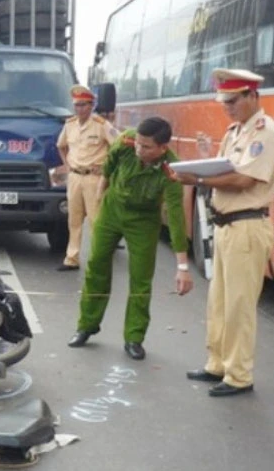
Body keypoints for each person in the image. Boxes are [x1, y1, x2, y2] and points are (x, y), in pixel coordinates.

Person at [176, 68, 274, 397]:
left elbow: (244, 180)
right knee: (219, 301)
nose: (227, 107)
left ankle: (239, 375)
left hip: (247, 226)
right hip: (226, 225)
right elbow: (225, 169)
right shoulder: (236, 131)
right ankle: (218, 364)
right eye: (224, 101)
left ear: (253, 96)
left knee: (239, 304)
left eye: (233, 101)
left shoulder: (266, 133)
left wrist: (196, 179)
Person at [67, 117, 194, 360]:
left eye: (146, 147)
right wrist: (99, 198)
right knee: (97, 265)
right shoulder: (125, 142)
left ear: (162, 148)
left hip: (144, 221)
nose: (139, 149)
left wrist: (182, 266)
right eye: (138, 143)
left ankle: (134, 338)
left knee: (141, 278)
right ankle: (86, 326)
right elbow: (109, 167)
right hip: (112, 210)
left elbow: (176, 216)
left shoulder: (172, 170)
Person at [55, 85, 119, 271]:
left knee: (96, 220)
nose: (79, 109)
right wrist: (67, 165)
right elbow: (61, 146)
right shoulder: (70, 125)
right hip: (75, 176)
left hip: (94, 178)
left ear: (91, 105)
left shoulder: (101, 125)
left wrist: (106, 166)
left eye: (83, 105)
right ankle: (71, 258)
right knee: (73, 220)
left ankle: (99, 258)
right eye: (76, 105)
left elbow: (118, 146)